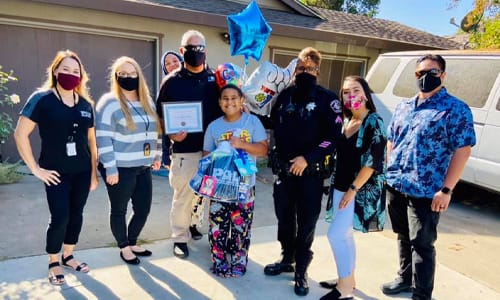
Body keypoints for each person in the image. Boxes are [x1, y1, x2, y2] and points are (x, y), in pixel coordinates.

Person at [381, 54, 476, 300]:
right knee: (402, 235)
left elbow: (463, 150)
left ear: (442, 75)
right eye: (420, 73)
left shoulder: (455, 109)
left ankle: (422, 294)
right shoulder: (404, 106)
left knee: (422, 244)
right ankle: (404, 279)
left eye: (431, 72)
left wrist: (446, 190)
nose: (425, 77)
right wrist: (390, 166)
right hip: (397, 185)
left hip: (427, 190)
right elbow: (392, 138)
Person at [14, 50, 98, 285]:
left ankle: (68, 254)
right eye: (66, 70)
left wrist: (93, 173)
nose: (71, 75)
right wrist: (35, 169)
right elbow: (21, 135)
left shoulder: (85, 104)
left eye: (76, 71)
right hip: (55, 174)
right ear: (55, 71)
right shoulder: (41, 99)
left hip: (81, 172)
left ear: (81, 76)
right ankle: (53, 260)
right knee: (60, 216)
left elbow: (91, 141)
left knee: (76, 215)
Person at [263, 47, 343, 296]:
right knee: (284, 220)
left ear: (317, 70)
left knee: (306, 223)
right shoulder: (284, 96)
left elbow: (334, 137)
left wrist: (308, 159)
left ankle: (301, 270)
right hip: (284, 172)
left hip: (311, 174)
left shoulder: (328, 100)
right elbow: (273, 123)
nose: (304, 72)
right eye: (300, 68)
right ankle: (287, 259)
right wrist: (249, 112)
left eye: (309, 68)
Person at [319, 76, 387, 300]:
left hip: (357, 191)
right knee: (345, 236)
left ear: (366, 94)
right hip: (340, 187)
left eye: (355, 90)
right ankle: (347, 280)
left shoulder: (374, 121)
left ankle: (345, 289)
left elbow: (373, 162)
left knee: (336, 235)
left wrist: (352, 190)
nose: (350, 96)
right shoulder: (347, 121)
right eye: (346, 92)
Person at [156, 29, 221, 258]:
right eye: (191, 49)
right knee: (183, 197)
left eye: (200, 48)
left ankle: (195, 227)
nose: (196, 53)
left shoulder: (216, 79)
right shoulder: (171, 82)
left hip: (213, 151)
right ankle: (179, 238)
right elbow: (162, 116)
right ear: (183, 51)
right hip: (185, 151)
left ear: (205, 51)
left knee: (205, 196)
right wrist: (172, 135)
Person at [95, 56, 162, 265]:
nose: (127, 77)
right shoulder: (109, 102)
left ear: (138, 75)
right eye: (122, 74)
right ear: (116, 77)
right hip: (120, 167)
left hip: (142, 166)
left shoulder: (147, 101)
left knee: (143, 208)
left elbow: (155, 131)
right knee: (119, 210)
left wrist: (157, 155)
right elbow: (103, 136)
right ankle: (123, 246)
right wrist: (110, 168)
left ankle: (132, 241)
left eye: (131, 73)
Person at [202, 84, 268, 277]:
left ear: (241, 101)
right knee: (218, 226)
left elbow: (263, 149)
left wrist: (242, 144)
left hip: (245, 186)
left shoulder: (252, 122)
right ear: (219, 102)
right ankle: (219, 261)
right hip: (220, 187)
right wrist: (221, 154)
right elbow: (206, 156)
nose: (229, 101)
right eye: (225, 98)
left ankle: (239, 262)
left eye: (233, 98)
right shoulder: (214, 126)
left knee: (241, 227)